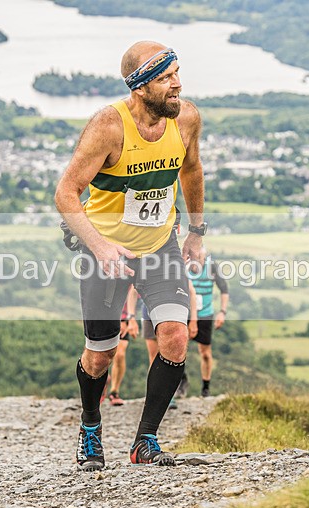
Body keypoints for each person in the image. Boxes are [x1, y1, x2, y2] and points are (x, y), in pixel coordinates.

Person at [56, 41, 206, 471]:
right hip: (106, 251)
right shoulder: (109, 127)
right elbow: (65, 193)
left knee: (175, 336)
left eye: (177, 72)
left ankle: (146, 440)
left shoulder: (188, 118)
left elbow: (191, 169)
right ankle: (89, 425)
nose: (177, 83)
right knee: (101, 354)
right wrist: (100, 246)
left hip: (160, 246)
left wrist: (195, 231)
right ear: (140, 88)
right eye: (165, 78)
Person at [184, 248, 229, 398]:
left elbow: (224, 289)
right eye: (194, 258)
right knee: (177, 350)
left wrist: (222, 312)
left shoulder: (212, 266)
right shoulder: (184, 266)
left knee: (205, 353)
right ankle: (180, 383)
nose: (197, 262)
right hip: (185, 313)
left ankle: (206, 387)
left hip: (205, 314)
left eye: (200, 259)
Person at [105, 285, 139, 406]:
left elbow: (135, 294)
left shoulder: (133, 269)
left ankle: (114, 391)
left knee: (119, 355)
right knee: (99, 356)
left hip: (124, 317)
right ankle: (101, 383)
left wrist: (128, 320)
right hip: (102, 316)